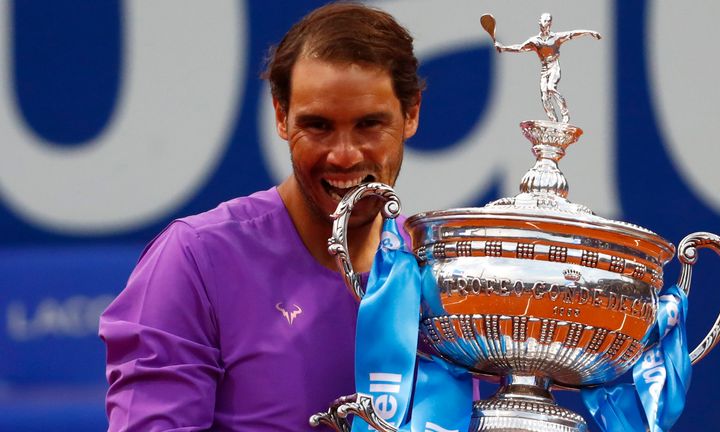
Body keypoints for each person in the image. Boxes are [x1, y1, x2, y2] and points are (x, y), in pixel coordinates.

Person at [99, 3, 422, 431]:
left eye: (369, 124)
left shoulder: (439, 270)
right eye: (318, 126)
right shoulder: (195, 260)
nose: (344, 155)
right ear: (281, 117)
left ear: (411, 114)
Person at [494, 13, 601, 123]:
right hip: (545, 69)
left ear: (549, 23)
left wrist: (590, 32)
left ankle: (565, 114)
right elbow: (520, 48)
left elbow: (572, 34)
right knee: (544, 96)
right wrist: (504, 48)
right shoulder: (535, 41)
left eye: (545, 21)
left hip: (554, 66)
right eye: (541, 21)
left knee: (551, 87)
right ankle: (553, 120)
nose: (542, 23)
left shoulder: (556, 38)